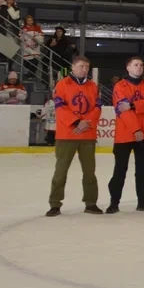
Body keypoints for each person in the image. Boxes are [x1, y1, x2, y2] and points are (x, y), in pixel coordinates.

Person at [46, 56, 100, 217]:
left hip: (87, 135)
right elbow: (60, 108)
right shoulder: (62, 84)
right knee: (61, 172)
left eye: (87, 67)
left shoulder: (93, 86)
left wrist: (85, 123)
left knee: (89, 172)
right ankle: (55, 204)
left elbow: (97, 108)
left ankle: (91, 203)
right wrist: (76, 122)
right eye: (82, 66)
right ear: (73, 67)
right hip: (67, 135)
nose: (85, 70)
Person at [104, 58, 144, 213]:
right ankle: (114, 202)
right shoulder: (120, 86)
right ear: (128, 67)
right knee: (120, 170)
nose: (139, 67)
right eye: (136, 65)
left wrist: (133, 105)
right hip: (125, 135)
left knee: (142, 171)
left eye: (141, 65)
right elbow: (122, 111)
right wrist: (136, 129)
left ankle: (143, 202)